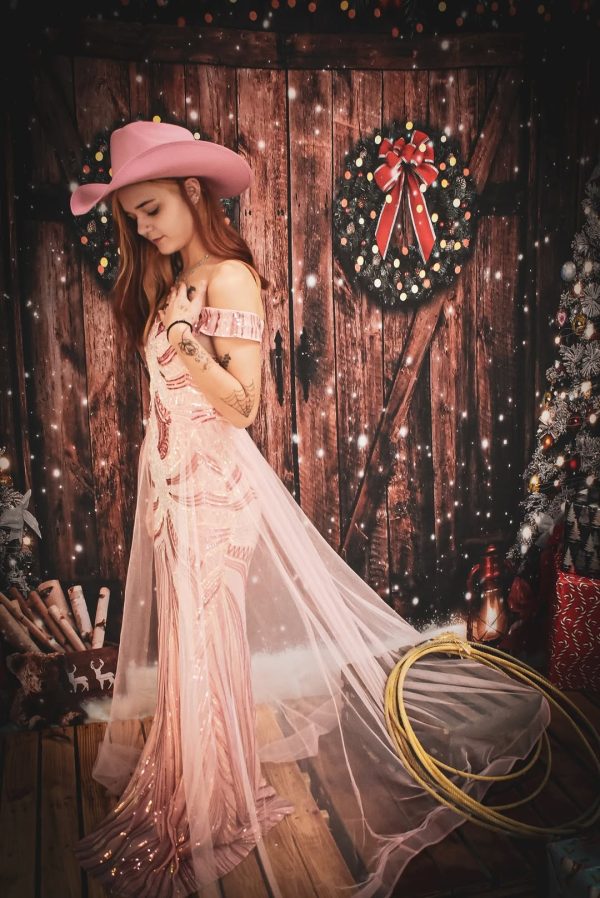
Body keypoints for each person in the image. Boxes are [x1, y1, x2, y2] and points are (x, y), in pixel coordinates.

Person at [69, 120, 550, 898]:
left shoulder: (228, 280)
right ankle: (204, 782)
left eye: (151, 209)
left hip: (213, 499)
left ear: (192, 192)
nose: (146, 228)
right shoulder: (176, 281)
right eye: (135, 219)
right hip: (175, 495)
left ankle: (212, 803)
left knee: (206, 646)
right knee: (193, 646)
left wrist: (185, 341)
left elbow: (243, 407)